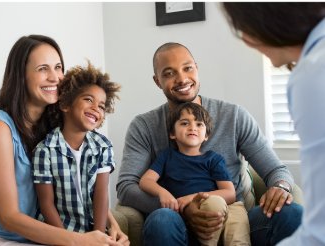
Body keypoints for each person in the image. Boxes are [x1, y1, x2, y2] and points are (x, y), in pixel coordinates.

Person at [116, 42, 303, 245]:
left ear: (196, 68)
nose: (182, 79)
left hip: (232, 218)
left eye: (187, 68)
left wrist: (281, 187)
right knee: (161, 220)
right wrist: (183, 208)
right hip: (176, 222)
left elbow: (276, 170)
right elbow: (126, 187)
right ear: (157, 81)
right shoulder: (144, 126)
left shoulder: (234, 116)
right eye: (169, 73)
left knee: (292, 213)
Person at [0, 35, 126, 246]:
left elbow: (80, 188)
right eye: (43, 69)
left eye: (58, 67)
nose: (55, 77)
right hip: (1, 238)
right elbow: (8, 217)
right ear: (21, 76)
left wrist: (111, 225)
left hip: (44, 237)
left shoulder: (55, 125)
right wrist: (79, 241)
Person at [222, 3, 325, 245]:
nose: (246, 41)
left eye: (241, 28)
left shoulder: (312, 75)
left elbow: (318, 233)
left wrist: (280, 186)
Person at [33, 62, 126, 240]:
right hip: (57, 233)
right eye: (88, 100)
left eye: (101, 105)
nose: (95, 108)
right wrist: (66, 241)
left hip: (93, 232)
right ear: (66, 104)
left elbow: (101, 196)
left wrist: (99, 238)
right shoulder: (44, 151)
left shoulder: (103, 147)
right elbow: (46, 204)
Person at [139, 102, 250, 245]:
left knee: (216, 204)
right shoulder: (166, 156)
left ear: (206, 136)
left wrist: (191, 198)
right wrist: (163, 193)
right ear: (172, 134)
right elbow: (146, 181)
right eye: (185, 123)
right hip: (179, 219)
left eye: (199, 124)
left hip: (210, 211)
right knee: (163, 218)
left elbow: (229, 193)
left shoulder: (213, 159)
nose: (192, 127)